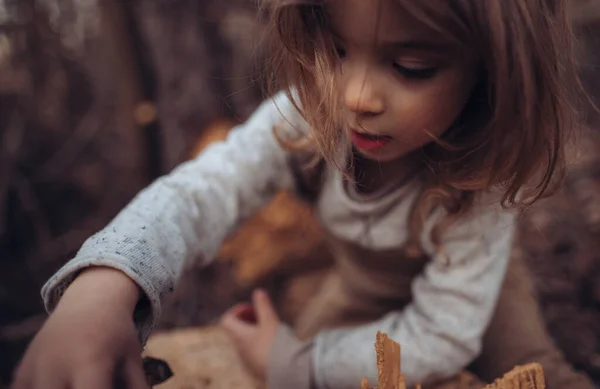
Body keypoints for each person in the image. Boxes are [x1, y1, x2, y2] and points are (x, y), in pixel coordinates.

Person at [12, 0, 596, 388]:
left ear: (490, 74)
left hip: (472, 293)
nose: (356, 96)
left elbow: (444, 331)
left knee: (531, 369)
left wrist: (294, 362)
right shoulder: (306, 120)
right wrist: (109, 282)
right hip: (363, 280)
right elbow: (202, 191)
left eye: (412, 66)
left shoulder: (480, 183)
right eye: (337, 52)